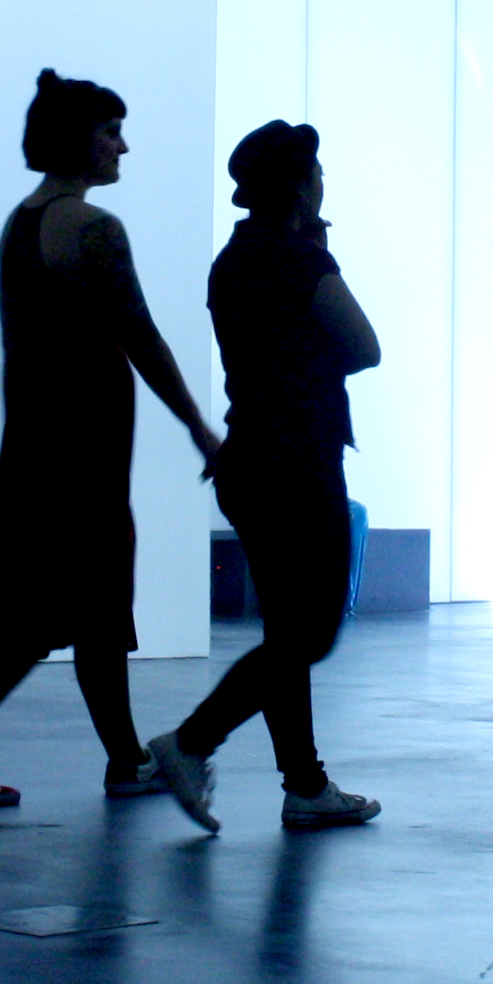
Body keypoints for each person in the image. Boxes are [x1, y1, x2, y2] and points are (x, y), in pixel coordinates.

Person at [0, 71, 223, 809]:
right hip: (80, 447)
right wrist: (199, 427)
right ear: (77, 138)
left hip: (41, 441)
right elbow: (140, 337)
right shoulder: (92, 230)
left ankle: (115, 759)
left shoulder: (21, 222)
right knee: (69, 609)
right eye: (111, 130)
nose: (124, 145)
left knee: (71, 610)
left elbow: (20, 347)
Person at [144, 120, 385, 833]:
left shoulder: (233, 260)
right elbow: (366, 348)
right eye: (318, 173)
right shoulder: (301, 261)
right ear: (301, 187)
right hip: (300, 463)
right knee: (306, 638)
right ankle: (189, 743)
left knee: (287, 633)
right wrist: (319, 256)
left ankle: (305, 786)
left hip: (247, 459)